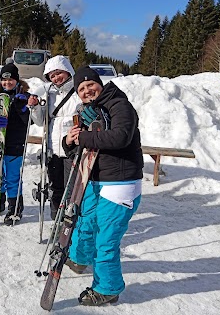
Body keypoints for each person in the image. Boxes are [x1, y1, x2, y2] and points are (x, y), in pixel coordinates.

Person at [62, 65, 144, 306]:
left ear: (100, 83)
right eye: (81, 88)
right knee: (85, 221)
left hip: (121, 183)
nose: (87, 91)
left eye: (91, 85)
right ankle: (79, 258)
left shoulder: (119, 105)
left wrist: (83, 137)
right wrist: (69, 141)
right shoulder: (89, 111)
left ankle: (108, 288)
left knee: (105, 239)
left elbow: (120, 137)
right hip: (95, 179)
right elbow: (79, 147)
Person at [28, 55, 81, 220]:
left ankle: (70, 222)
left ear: (68, 71)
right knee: (55, 187)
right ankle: (56, 218)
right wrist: (35, 107)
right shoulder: (47, 93)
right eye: (52, 75)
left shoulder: (78, 92)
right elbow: (39, 121)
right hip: (53, 149)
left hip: (72, 149)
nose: (57, 78)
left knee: (71, 189)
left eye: (59, 73)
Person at [0, 63, 31, 224]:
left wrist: (22, 109)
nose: (7, 83)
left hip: (15, 144)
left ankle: (15, 207)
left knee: (13, 177)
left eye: (10, 80)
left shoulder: (24, 96)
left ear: (16, 80)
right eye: (4, 79)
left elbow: (29, 122)